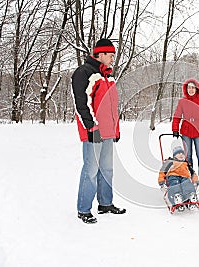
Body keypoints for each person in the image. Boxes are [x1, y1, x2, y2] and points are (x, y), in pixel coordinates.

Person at [71, 38, 125, 224]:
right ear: (100, 54)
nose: (112, 59)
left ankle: (105, 203)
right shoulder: (84, 73)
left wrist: (116, 129)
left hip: (108, 132)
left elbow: (112, 107)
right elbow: (81, 104)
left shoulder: (108, 77)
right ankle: (84, 209)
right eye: (110, 55)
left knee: (107, 169)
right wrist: (92, 127)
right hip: (93, 132)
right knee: (91, 170)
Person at [172, 78, 199, 185]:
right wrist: (175, 129)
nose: (191, 90)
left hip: (198, 131)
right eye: (189, 88)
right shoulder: (182, 102)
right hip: (186, 131)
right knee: (188, 155)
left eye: (192, 88)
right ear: (186, 89)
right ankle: (189, 175)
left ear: (196, 89)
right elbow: (177, 116)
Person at [158, 146, 199, 211]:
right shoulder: (170, 162)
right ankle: (177, 197)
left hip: (184, 177)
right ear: (174, 155)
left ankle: (190, 198)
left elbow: (193, 173)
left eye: (182, 153)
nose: (181, 155)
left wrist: (195, 180)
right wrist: (161, 181)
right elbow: (162, 172)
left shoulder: (186, 163)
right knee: (175, 183)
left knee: (187, 183)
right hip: (173, 176)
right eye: (178, 153)